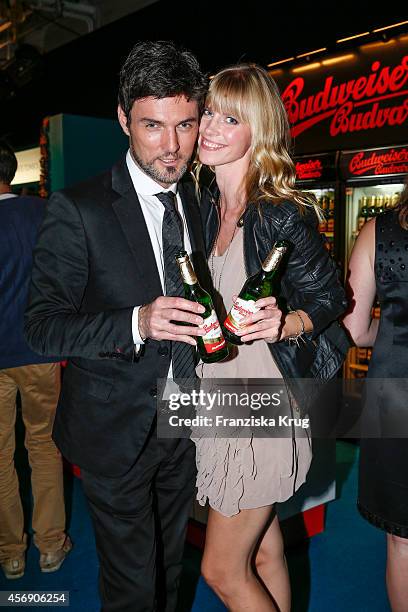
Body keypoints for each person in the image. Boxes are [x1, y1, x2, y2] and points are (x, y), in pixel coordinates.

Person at [24, 41, 208, 612]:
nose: (171, 146)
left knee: (171, 565)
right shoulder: (77, 208)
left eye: (186, 125)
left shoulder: (201, 200)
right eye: (153, 126)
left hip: (186, 417)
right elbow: (42, 328)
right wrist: (137, 321)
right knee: (132, 587)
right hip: (114, 430)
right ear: (124, 118)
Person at [192, 64, 348, 611]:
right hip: (220, 395)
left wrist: (288, 321)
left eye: (229, 118)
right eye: (208, 111)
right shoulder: (205, 207)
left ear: (257, 131)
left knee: (220, 570)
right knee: (262, 555)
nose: (208, 127)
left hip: (264, 403)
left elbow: (333, 299)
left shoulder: (280, 212)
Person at [0, 140, 71, 580]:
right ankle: (50, 545)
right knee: (44, 447)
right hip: (39, 351)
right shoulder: (42, 214)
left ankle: (10, 553)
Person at [343, 179, 408, 611]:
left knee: (403, 540)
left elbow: (353, 328)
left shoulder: (379, 231)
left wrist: (391, 337)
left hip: (396, 394)